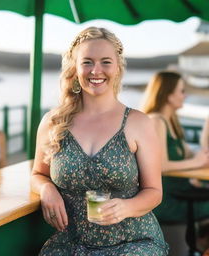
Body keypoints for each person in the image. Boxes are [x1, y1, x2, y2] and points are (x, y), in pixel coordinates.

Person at [31, 27, 168, 255]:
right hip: (71, 244)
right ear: (75, 68)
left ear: (117, 68)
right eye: (87, 62)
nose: (96, 70)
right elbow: (38, 174)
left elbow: (154, 191)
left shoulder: (139, 123)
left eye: (106, 62)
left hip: (134, 243)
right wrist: (46, 189)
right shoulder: (52, 122)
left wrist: (126, 207)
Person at [141, 71, 209, 223]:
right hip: (166, 202)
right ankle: (201, 242)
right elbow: (160, 166)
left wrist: (206, 130)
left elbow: (192, 154)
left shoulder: (171, 122)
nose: (185, 96)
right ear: (169, 95)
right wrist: (196, 163)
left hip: (182, 193)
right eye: (182, 91)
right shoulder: (156, 121)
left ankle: (201, 242)